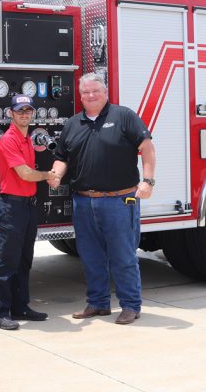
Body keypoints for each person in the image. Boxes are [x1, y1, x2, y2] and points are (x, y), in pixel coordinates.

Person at [47, 73, 156, 325]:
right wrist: (55, 175)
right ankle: (98, 303)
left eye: (95, 90)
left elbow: (147, 147)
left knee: (123, 255)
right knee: (90, 256)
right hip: (84, 201)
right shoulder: (73, 123)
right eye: (85, 92)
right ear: (80, 95)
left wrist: (148, 181)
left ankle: (130, 305)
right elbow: (62, 157)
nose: (91, 95)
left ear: (105, 92)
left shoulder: (123, 116)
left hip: (120, 201)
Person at [0, 94, 55, 330]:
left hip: (28, 205)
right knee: (7, 262)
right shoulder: (8, 139)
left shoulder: (27, 139)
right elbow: (25, 174)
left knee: (24, 260)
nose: (24, 114)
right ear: (11, 113)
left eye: (28, 111)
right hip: (12, 207)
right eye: (20, 111)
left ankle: (20, 307)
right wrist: (49, 175)